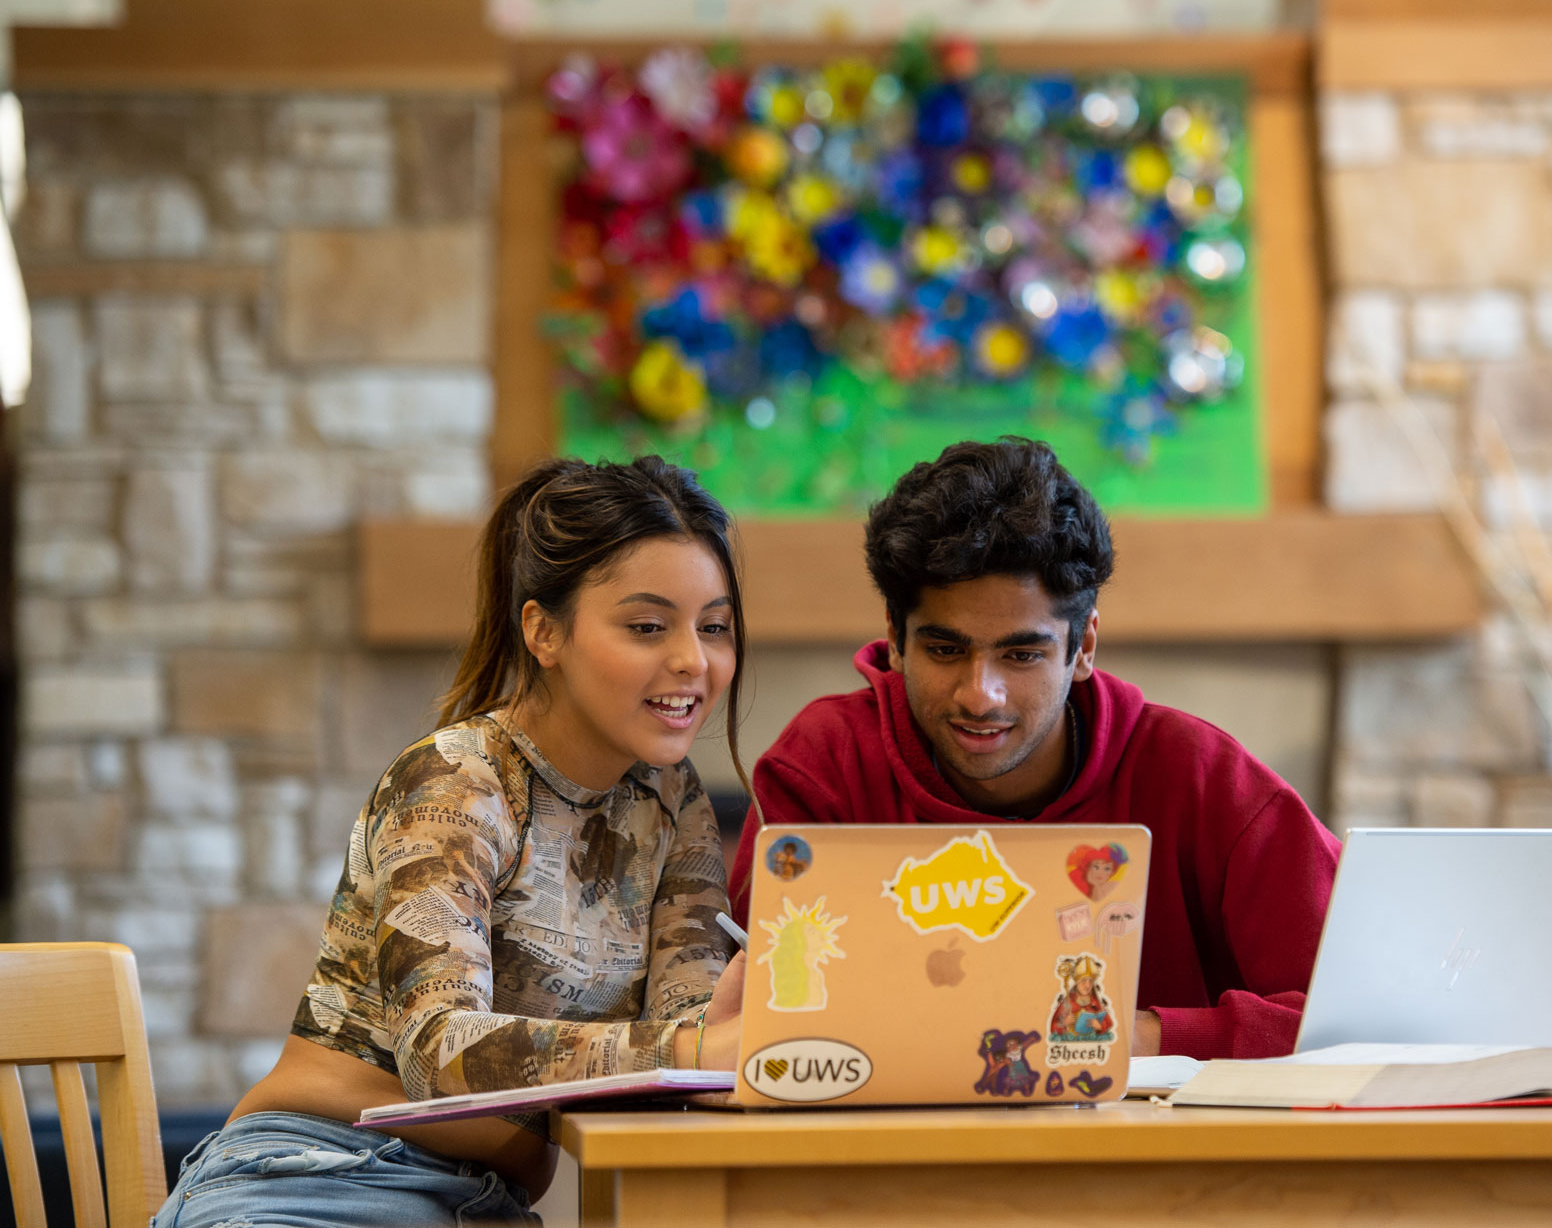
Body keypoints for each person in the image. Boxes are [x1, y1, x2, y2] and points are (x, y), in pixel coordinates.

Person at [154, 458, 752, 1228]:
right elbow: (440, 1053)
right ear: (543, 630)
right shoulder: (455, 781)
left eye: (714, 626)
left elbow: (700, 1041)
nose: (692, 662)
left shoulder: (674, 802)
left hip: (476, 1206)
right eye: (646, 626)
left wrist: (733, 1035)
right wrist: (692, 1047)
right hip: (310, 1179)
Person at [728, 437, 1340, 1060]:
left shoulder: (1205, 780)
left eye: (1022, 654)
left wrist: (1133, 1037)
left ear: (1084, 647)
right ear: (895, 636)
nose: (980, 695)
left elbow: (1363, 1019)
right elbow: (754, 1029)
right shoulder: (822, 768)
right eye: (945, 650)